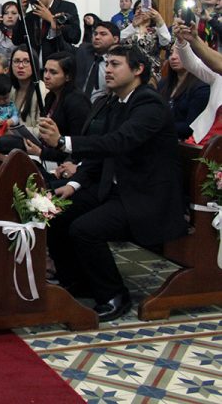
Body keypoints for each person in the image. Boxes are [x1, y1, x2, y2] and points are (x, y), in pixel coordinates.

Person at [41, 44, 186, 322]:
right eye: (107, 64)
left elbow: (119, 142)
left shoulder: (148, 103)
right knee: (54, 211)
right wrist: (75, 184)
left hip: (145, 196)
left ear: (138, 70)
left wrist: (63, 142)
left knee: (85, 229)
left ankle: (114, 295)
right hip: (115, 188)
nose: (107, 69)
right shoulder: (114, 101)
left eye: (115, 64)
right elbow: (100, 154)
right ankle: (79, 282)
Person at [23, 52, 91, 168]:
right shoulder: (51, 96)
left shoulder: (77, 102)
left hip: (66, 160)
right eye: (45, 71)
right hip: (47, 150)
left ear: (68, 76)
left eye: (53, 72)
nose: (47, 76)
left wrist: (41, 152)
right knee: (6, 142)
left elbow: (78, 146)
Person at [172, 20, 222, 146]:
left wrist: (195, 41)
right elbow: (193, 64)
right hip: (204, 138)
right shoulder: (218, 76)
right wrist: (184, 42)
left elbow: (217, 63)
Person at [14, 0, 80, 64]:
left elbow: (75, 36)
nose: (35, 0)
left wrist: (51, 19)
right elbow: (16, 40)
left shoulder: (67, 7)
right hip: (36, 66)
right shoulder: (31, 15)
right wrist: (22, 14)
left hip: (59, 64)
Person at [157, 48, 210, 140]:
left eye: (180, 53)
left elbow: (190, 127)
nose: (173, 57)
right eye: (171, 52)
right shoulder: (163, 84)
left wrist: (156, 126)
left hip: (184, 144)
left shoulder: (201, 88)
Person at [120, 0, 171, 84]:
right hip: (129, 71)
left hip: (151, 75)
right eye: (138, 8)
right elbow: (118, 40)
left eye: (144, 8)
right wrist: (133, 26)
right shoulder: (128, 27)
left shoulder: (156, 30)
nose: (140, 11)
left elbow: (166, 42)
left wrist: (159, 19)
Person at [74, 21, 120, 102]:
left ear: (115, 39)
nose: (97, 37)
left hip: (104, 108)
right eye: (95, 34)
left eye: (103, 34)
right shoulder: (84, 51)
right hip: (77, 105)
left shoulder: (120, 61)